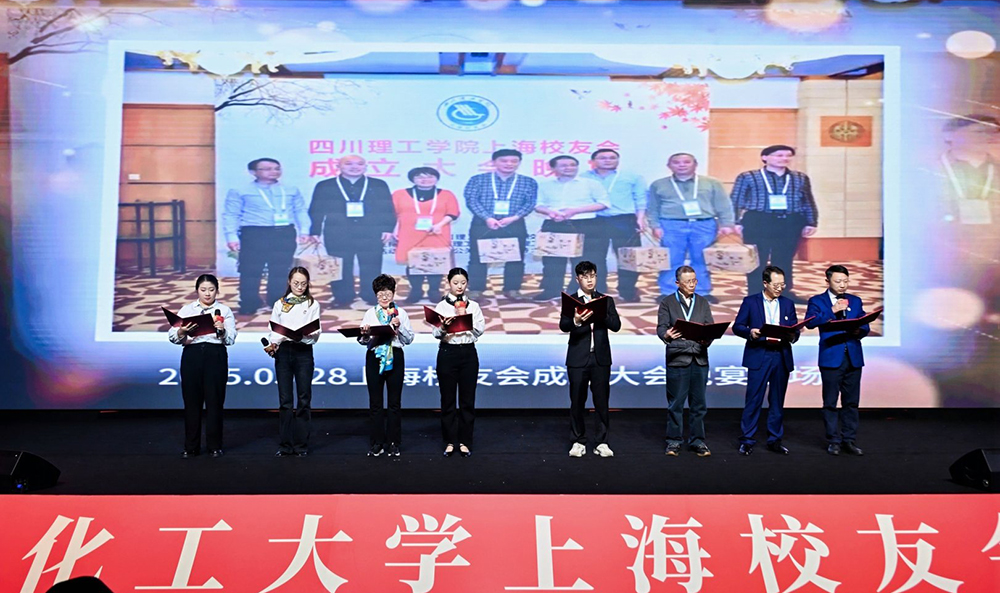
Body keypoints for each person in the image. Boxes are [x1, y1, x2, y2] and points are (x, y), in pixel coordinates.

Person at [731, 145, 819, 303]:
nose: (784, 158)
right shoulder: (748, 176)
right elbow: (736, 200)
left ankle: (782, 292)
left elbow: (807, 200)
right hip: (758, 220)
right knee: (757, 259)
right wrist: (735, 222)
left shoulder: (800, 177)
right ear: (764, 158)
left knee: (784, 259)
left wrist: (811, 222)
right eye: (779, 155)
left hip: (790, 221)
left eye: (788, 156)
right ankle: (755, 293)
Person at [223, 158, 311, 314]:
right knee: (251, 270)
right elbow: (231, 214)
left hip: (284, 232)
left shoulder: (290, 189)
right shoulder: (240, 190)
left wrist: (304, 230)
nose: (274, 172)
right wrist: (231, 236)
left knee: (281, 269)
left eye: (277, 168)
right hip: (255, 233)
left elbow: (300, 210)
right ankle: (249, 303)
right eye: (267, 169)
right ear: (253, 172)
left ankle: (277, 301)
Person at [648, 153, 736, 304]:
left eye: (686, 162)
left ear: (695, 164)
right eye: (676, 162)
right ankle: (668, 291)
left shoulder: (711, 182)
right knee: (671, 259)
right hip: (671, 225)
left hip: (704, 224)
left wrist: (727, 224)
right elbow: (653, 207)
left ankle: (702, 291)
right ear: (669, 166)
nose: (682, 165)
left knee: (701, 259)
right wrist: (654, 226)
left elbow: (723, 204)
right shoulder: (659, 184)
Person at [309, 155, 395, 307]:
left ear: (365, 166)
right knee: (340, 266)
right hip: (337, 232)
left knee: (371, 265)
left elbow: (387, 208)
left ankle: (371, 295)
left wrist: (388, 228)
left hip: (371, 231)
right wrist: (314, 231)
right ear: (339, 166)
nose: (355, 167)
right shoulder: (325, 186)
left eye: (360, 164)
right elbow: (316, 210)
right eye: (349, 164)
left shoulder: (378, 184)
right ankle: (342, 297)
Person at [167, 274, 237, 458]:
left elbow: (231, 339)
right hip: (192, 355)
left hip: (216, 355)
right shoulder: (187, 309)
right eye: (203, 290)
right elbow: (172, 336)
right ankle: (191, 447)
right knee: (192, 402)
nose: (207, 293)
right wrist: (182, 331)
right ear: (197, 290)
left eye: (211, 290)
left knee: (215, 402)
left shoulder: (224, 310)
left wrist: (222, 330)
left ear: (217, 291)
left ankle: (215, 446)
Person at [733, 265, 798, 456]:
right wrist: (750, 332)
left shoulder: (788, 303)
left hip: (780, 355)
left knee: (777, 401)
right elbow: (738, 326)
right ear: (765, 283)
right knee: (753, 400)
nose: (780, 288)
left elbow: (795, 329)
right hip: (759, 354)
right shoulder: (750, 302)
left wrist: (793, 335)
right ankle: (747, 440)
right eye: (776, 285)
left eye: (783, 284)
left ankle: (775, 440)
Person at [558, 261, 621, 457]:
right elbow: (564, 325)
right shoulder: (571, 301)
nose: (590, 280)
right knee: (577, 401)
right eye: (585, 277)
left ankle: (602, 442)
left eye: (592, 276)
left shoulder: (605, 300)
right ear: (578, 279)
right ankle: (578, 440)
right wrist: (576, 321)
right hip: (578, 358)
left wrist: (600, 315)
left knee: (601, 402)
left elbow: (616, 325)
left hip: (600, 358)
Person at [805, 265, 869, 456]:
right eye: (838, 281)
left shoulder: (855, 301)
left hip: (853, 357)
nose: (842, 285)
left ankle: (849, 440)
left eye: (845, 281)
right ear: (828, 281)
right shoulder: (817, 301)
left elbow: (864, 324)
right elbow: (810, 322)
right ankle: (833, 440)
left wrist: (860, 330)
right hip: (831, 357)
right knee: (830, 402)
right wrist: (832, 310)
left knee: (851, 403)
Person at [655, 265, 715, 457]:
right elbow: (661, 328)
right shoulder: (667, 302)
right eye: (688, 281)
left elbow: (710, 327)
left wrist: (707, 338)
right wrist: (667, 334)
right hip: (678, 359)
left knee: (699, 405)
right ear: (677, 283)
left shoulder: (703, 302)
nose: (692, 284)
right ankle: (674, 441)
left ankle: (698, 441)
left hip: (699, 358)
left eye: (694, 280)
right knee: (676, 404)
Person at [464, 149, 538, 299]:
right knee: (477, 257)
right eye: (504, 161)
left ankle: (512, 289)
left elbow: (530, 203)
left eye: (514, 161)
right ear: (494, 162)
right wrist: (488, 218)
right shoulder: (477, 179)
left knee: (515, 258)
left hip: (514, 223)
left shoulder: (528, 181)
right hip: (483, 223)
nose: (509, 164)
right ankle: (476, 289)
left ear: (519, 163)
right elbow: (472, 200)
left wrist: (514, 217)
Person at [534, 155, 611, 300]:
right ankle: (552, 290)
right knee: (552, 260)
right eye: (563, 165)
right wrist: (550, 212)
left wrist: (575, 211)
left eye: (572, 165)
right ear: (553, 168)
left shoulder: (591, 183)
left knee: (586, 261)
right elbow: (538, 204)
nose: (569, 168)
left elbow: (603, 203)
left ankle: (581, 291)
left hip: (585, 223)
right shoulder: (545, 185)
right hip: (554, 223)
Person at [264, 267, 321, 457]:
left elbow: (316, 334)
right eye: (296, 283)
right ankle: (285, 445)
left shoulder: (312, 304)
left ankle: (301, 445)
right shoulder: (280, 304)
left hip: (303, 351)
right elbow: (274, 330)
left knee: (304, 399)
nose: (300, 287)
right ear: (289, 282)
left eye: (303, 284)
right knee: (285, 401)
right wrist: (273, 344)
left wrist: (304, 335)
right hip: (284, 352)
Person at [358, 274, 414, 457]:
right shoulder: (370, 313)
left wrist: (399, 327)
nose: (384, 297)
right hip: (374, 356)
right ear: (375, 295)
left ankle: (394, 443)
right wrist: (365, 334)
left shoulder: (401, 313)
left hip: (395, 356)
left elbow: (409, 339)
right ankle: (377, 443)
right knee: (375, 402)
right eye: (380, 294)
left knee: (394, 403)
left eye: (388, 293)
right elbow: (363, 341)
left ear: (393, 293)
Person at [581, 148, 647, 302]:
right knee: (593, 257)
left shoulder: (632, 177)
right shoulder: (583, 178)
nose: (608, 160)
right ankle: (597, 289)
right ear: (593, 161)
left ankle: (627, 290)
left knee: (628, 257)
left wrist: (640, 218)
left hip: (624, 219)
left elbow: (640, 198)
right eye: (603, 158)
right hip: (593, 220)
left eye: (612, 157)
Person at [432, 267, 486, 458]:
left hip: (468, 353)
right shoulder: (441, 306)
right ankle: (449, 441)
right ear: (449, 283)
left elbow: (480, 330)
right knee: (447, 400)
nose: (459, 286)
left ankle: (465, 441)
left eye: (463, 283)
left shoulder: (474, 306)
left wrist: (464, 319)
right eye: (455, 283)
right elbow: (435, 333)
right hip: (448, 353)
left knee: (467, 400)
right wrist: (444, 327)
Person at [391, 167, 461, 304]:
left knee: (436, 261)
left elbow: (453, 213)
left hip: (436, 232)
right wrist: (394, 229)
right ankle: (415, 291)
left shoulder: (447, 194)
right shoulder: (399, 194)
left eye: (430, 176)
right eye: (420, 177)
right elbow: (393, 214)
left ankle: (434, 290)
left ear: (436, 179)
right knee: (412, 261)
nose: (425, 179)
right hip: (409, 233)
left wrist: (439, 225)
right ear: (412, 179)